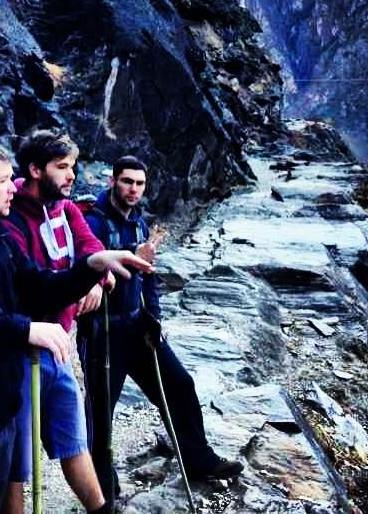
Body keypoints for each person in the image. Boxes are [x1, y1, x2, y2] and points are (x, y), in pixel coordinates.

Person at [0, 143, 151, 513]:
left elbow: (40, 286)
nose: (13, 188)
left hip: (3, 412)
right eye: (4, 181)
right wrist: (23, 330)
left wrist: (92, 265)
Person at [82, 155, 243, 505]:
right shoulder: (92, 222)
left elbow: (148, 275)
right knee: (100, 411)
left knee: (179, 384)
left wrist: (154, 317)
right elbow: (84, 266)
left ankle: (199, 460)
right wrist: (131, 253)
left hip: (137, 325)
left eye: (139, 184)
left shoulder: (140, 222)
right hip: (103, 331)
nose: (133, 190)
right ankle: (102, 492)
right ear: (113, 181)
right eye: (127, 182)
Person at [1, 130, 111, 514]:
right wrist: (83, 280)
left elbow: (91, 247)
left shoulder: (66, 208)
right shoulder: (11, 216)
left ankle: (101, 510)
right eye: (62, 167)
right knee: (17, 462)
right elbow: (30, 284)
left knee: (73, 439)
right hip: (22, 351)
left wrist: (94, 276)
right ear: (34, 169)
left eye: (73, 167)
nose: (71, 176)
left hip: (60, 346)